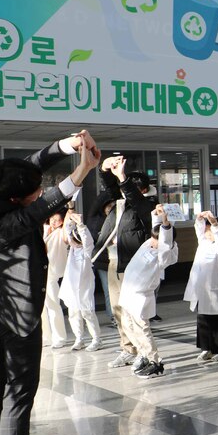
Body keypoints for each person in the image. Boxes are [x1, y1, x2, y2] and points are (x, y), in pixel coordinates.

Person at [0, 129, 100, 435]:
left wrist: (66, 145)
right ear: (15, 199)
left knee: (1, 382)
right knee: (19, 391)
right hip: (17, 314)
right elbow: (43, 208)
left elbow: (25, 167)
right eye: (32, 193)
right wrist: (82, 172)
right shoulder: (6, 222)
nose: (38, 194)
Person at [94, 157, 157, 368]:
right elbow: (109, 186)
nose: (123, 190)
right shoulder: (119, 203)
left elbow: (135, 199)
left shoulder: (148, 206)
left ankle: (144, 352)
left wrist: (122, 177)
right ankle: (128, 348)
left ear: (144, 189)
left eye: (130, 187)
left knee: (133, 313)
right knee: (117, 310)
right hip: (113, 262)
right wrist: (105, 168)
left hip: (133, 266)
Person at [120, 205, 179, 379]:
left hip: (140, 296)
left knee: (142, 330)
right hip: (128, 293)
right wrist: (157, 214)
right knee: (128, 326)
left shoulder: (165, 254)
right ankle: (144, 355)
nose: (152, 241)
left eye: (157, 240)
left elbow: (166, 241)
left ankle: (155, 362)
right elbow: (156, 229)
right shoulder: (149, 243)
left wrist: (166, 223)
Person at [185, 211, 218, 363]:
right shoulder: (202, 242)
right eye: (207, 229)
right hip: (200, 288)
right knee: (202, 318)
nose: (207, 232)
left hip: (213, 287)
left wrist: (215, 224)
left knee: (216, 319)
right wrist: (199, 219)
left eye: (211, 230)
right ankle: (206, 348)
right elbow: (199, 229)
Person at [59, 212, 102, 352]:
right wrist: (72, 219)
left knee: (87, 312)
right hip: (71, 286)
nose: (70, 240)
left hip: (84, 286)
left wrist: (81, 225)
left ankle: (96, 339)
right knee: (74, 313)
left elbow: (87, 239)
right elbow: (68, 228)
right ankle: (79, 339)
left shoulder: (86, 251)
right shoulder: (72, 250)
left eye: (73, 238)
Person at [41, 210, 70, 348]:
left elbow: (66, 234)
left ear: (62, 222)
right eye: (52, 218)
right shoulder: (44, 229)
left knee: (53, 304)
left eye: (57, 219)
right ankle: (46, 336)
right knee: (42, 307)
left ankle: (60, 337)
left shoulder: (60, 233)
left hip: (51, 272)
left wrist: (70, 210)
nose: (54, 221)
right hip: (40, 271)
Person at [86, 192, 116, 327]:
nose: (110, 208)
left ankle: (116, 315)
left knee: (115, 289)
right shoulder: (96, 220)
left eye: (113, 206)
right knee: (108, 289)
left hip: (116, 259)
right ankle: (113, 316)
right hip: (102, 260)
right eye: (108, 206)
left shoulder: (118, 220)